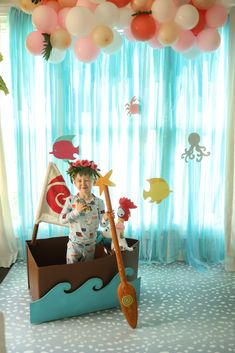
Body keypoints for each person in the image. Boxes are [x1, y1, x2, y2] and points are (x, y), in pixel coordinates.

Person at [59, 159, 111, 264]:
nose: (83, 184)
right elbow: (61, 219)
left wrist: (106, 217)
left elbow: (103, 224)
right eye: (79, 180)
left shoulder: (99, 202)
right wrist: (75, 212)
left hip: (90, 246)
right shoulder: (70, 200)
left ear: (93, 181)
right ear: (74, 182)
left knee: (86, 271)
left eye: (87, 180)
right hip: (74, 245)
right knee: (72, 271)